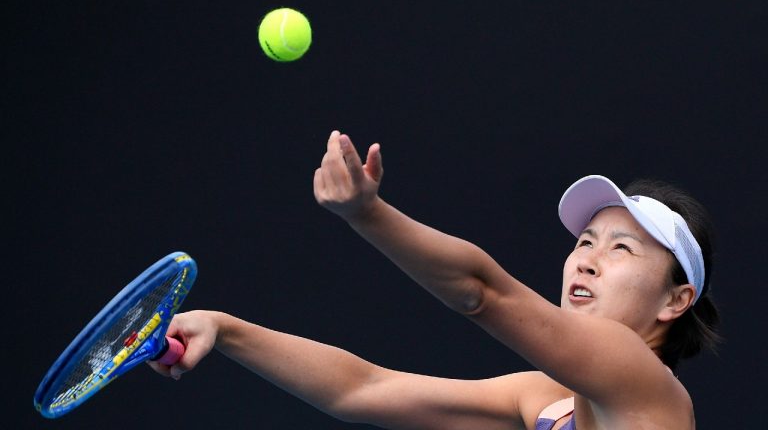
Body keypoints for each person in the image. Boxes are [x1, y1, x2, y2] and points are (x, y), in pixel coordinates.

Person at [150, 131, 720, 429]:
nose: (587, 261)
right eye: (584, 243)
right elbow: (360, 391)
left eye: (621, 249)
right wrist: (225, 329)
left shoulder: (646, 386)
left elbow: (482, 292)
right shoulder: (546, 400)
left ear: (677, 300)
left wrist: (366, 214)